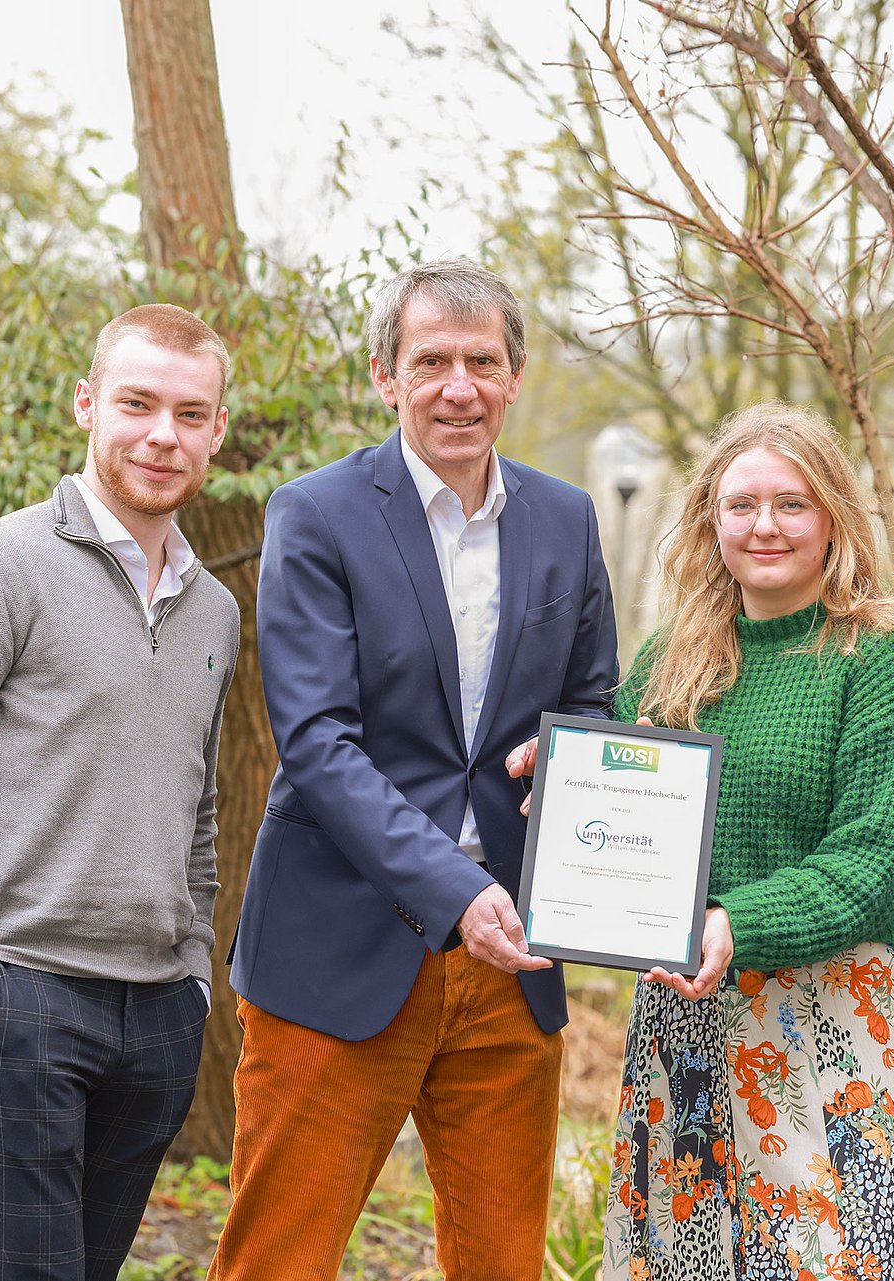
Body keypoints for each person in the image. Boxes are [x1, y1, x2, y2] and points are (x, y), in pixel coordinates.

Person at [209, 258, 617, 1280]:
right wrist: (455, 891)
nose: (459, 388)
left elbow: (594, 703)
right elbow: (316, 741)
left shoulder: (564, 519)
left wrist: (563, 755)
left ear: (516, 375)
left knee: (501, 1263)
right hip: (340, 945)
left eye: (482, 362)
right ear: (386, 377)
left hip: (512, 957)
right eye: (431, 361)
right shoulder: (317, 513)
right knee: (279, 1262)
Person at [0, 304, 239, 1281]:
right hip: (13, 990)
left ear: (217, 432)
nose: (163, 434)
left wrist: (192, 971)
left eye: (190, 414)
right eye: (137, 403)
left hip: (154, 1011)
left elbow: (194, 804)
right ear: (86, 405)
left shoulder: (215, 608)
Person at [601, 402, 894, 1281]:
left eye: (791, 504)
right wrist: (561, 781)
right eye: (741, 504)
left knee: (830, 1261)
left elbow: (871, 866)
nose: (765, 526)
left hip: (831, 1022)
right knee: (686, 1260)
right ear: (709, 519)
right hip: (686, 1010)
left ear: (832, 515)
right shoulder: (673, 658)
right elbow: (619, 798)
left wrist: (731, 921)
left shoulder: (882, 661)